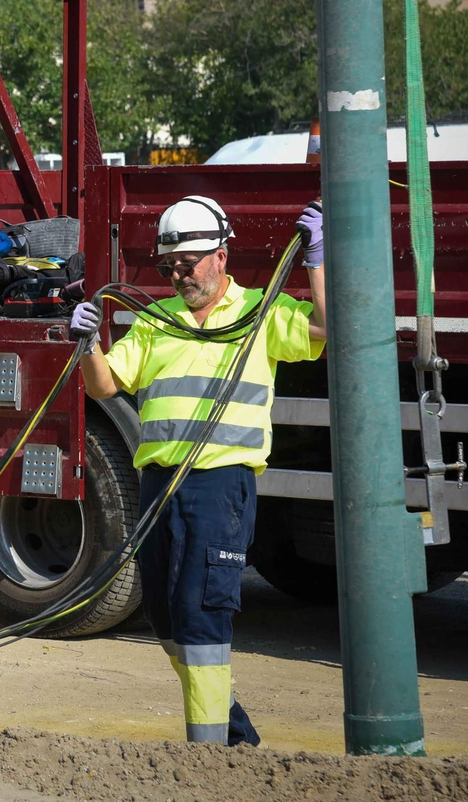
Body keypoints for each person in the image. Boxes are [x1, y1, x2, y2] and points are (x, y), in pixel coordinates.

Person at [68, 196, 326, 746]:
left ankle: (206, 757)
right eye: (169, 267)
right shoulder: (158, 321)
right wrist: (89, 343)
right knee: (164, 618)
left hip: (219, 487)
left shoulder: (259, 311)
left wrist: (318, 262)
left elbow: (328, 332)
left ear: (221, 256)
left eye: (187, 263)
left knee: (200, 615)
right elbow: (105, 384)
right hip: (160, 486)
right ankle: (234, 736)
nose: (178, 275)